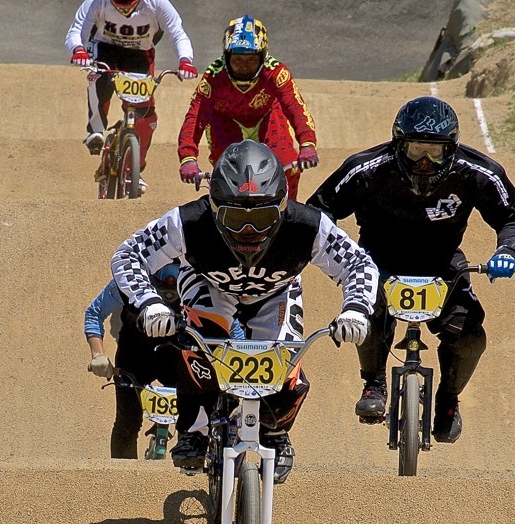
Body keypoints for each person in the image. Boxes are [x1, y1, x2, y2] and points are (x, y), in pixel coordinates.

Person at [111, 140, 377, 483]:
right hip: (208, 284)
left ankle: (277, 434)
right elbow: (128, 254)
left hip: (276, 292)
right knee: (202, 344)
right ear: (214, 206)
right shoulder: (187, 222)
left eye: (263, 217)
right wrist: (150, 303)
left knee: (284, 369)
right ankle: (194, 429)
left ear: (283, 206)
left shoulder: (308, 225)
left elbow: (358, 263)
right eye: (235, 217)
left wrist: (355, 309)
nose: (249, 231)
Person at [307, 96, 515, 443]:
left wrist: (508, 251)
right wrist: (338, 254)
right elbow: (318, 212)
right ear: (399, 146)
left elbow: (513, 216)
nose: (425, 162)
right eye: (415, 151)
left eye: (435, 151)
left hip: (442, 261)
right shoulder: (365, 169)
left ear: (451, 149)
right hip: (376, 261)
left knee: (470, 333)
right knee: (368, 314)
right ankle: (374, 385)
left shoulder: (478, 172)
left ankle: (448, 400)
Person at [85, 263, 244, 459]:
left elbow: (232, 325)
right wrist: (98, 355)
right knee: (127, 422)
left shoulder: (199, 285)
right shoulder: (130, 281)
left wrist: (238, 359)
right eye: (162, 283)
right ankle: (121, 480)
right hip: (135, 355)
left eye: (174, 285)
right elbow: (94, 312)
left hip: (181, 357)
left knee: (194, 424)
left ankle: (191, 463)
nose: (169, 290)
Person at [177, 16, 319, 200]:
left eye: (251, 60)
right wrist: (188, 158)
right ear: (227, 57)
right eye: (237, 60)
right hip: (224, 121)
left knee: (288, 167)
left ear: (262, 57)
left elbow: (295, 107)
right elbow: (195, 117)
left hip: (267, 116)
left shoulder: (276, 72)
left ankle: (287, 212)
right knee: (227, 174)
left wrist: (307, 144)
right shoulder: (214, 76)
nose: (244, 67)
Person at [66, 0, 197, 174]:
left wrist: (185, 60)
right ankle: (95, 130)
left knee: (145, 114)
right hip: (104, 49)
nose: (124, 7)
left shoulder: (158, 4)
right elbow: (78, 29)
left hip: (140, 55)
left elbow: (177, 33)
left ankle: (135, 168)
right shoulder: (97, 2)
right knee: (98, 79)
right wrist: (78, 49)